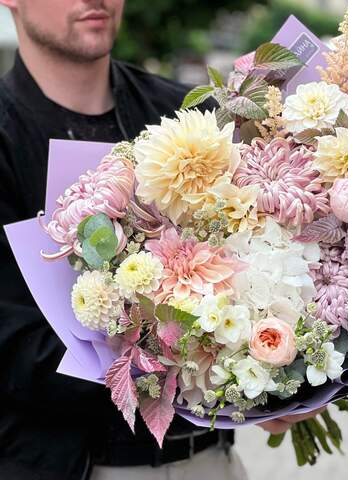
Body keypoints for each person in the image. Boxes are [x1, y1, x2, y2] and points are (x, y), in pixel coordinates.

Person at [0, 1, 323, 479]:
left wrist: (278, 372)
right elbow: (9, 342)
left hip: (209, 461)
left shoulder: (186, 112)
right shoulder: (6, 136)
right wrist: (182, 370)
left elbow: (260, 249)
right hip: (71, 464)